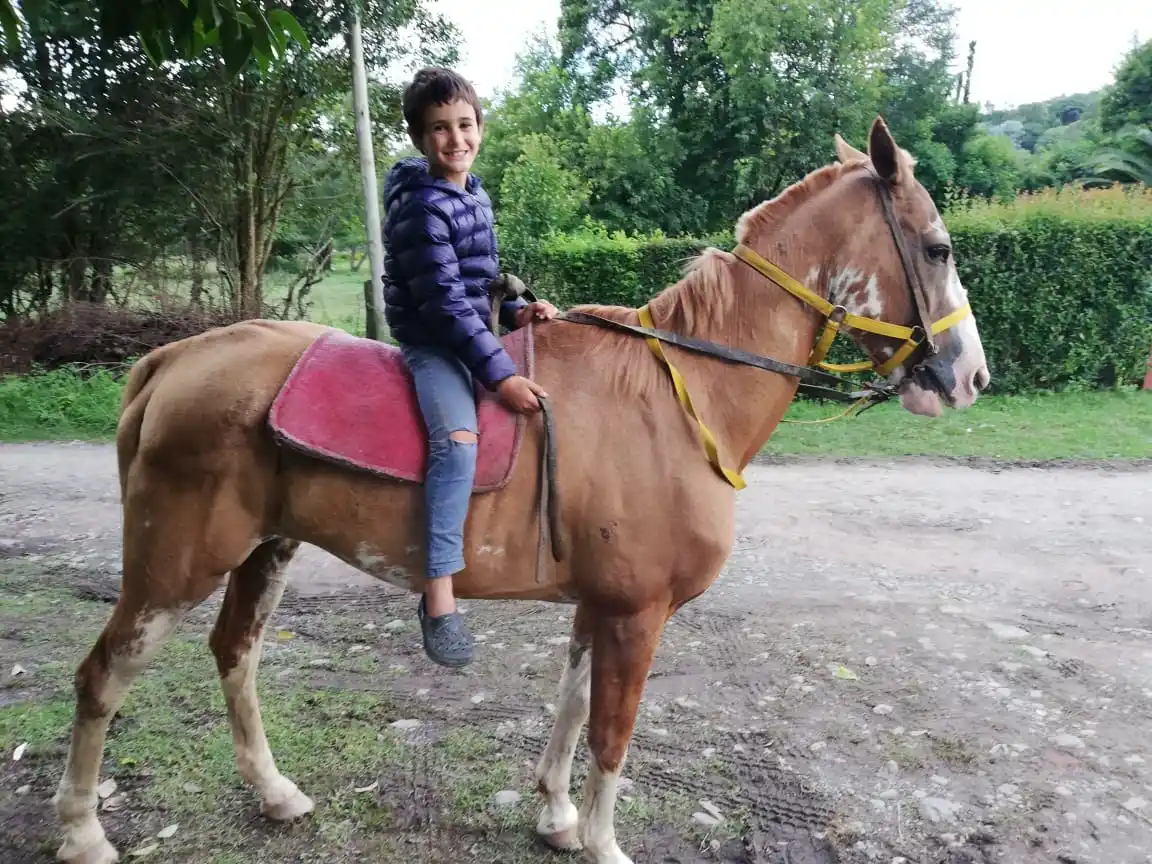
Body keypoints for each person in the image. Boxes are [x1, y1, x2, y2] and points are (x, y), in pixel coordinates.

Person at [381, 67, 558, 668]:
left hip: (469, 332)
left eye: (463, 124)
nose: (453, 138)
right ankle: (438, 595)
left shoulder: (472, 194)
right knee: (457, 442)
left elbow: (477, 285)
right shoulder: (421, 210)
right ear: (418, 137)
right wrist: (499, 375)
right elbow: (445, 304)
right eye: (438, 129)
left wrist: (517, 309)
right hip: (435, 343)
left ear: (479, 126)